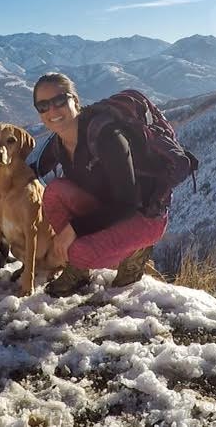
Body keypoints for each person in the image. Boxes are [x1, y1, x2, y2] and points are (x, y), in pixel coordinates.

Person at [31, 73, 168, 297]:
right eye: (43, 105)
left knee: (76, 251)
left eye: (59, 101)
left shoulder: (107, 136)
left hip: (143, 215)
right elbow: (30, 170)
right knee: (53, 192)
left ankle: (133, 251)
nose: (52, 111)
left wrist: (73, 230)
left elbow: (127, 202)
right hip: (105, 207)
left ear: (74, 100)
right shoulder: (59, 143)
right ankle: (80, 270)